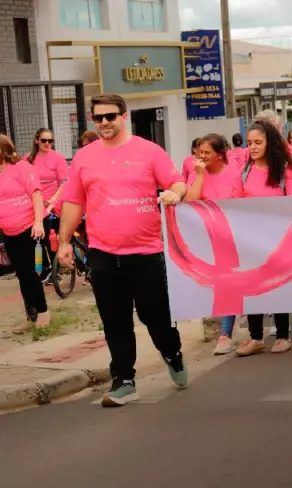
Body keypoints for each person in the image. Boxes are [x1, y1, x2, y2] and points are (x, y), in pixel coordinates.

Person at [57, 93, 188, 407]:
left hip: (145, 254)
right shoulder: (84, 158)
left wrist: (173, 192)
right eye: (98, 117)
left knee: (156, 319)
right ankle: (124, 380)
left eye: (110, 117)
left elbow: (177, 182)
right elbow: (74, 202)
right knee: (114, 321)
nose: (104, 123)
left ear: (124, 116)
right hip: (102, 254)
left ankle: (173, 354)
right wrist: (63, 242)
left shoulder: (149, 151)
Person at [235, 120, 292, 357]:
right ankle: (256, 337)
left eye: (258, 142)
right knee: (253, 286)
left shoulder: (286, 170)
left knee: (276, 286)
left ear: (270, 143)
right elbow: (234, 203)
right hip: (250, 239)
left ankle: (283, 335)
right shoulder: (244, 171)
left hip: (278, 238)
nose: (252, 147)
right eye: (249, 143)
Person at [184, 133, 244, 355]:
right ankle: (225, 326)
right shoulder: (196, 173)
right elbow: (189, 201)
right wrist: (199, 175)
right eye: (200, 152)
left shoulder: (234, 174)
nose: (202, 156)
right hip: (204, 238)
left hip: (230, 238)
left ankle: (226, 334)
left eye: (207, 152)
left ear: (220, 154)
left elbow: (242, 205)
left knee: (227, 284)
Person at [0, 135, 50, 333]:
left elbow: (36, 194)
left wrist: (38, 223)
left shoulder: (21, 167)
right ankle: (31, 315)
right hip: (9, 230)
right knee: (21, 274)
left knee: (31, 272)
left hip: (30, 226)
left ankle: (43, 312)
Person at [26, 128, 69, 284]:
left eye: (50, 141)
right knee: (38, 239)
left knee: (55, 236)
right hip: (36, 204)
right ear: (37, 140)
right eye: (44, 140)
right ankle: (43, 269)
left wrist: (52, 201)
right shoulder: (28, 159)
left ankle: (56, 269)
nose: (47, 144)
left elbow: (64, 184)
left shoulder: (58, 159)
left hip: (55, 202)